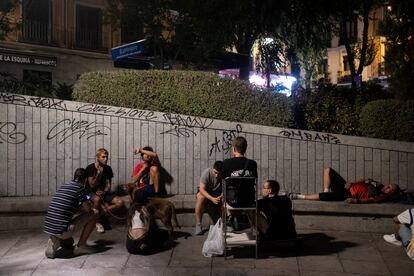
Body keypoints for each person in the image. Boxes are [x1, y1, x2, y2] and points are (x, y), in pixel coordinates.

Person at [43, 168, 99, 258]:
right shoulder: (80, 188)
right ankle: (81, 246)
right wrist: (89, 201)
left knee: (69, 243)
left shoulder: (64, 186)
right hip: (62, 230)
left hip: (50, 227)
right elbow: (88, 210)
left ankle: (54, 241)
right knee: (95, 213)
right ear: (85, 180)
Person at [289, 167, 400, 203]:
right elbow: (366, 179)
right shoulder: (379, 185)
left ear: (391, 193)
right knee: (327, 170)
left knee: (325, 197)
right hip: (347, 187)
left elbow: (370, 200)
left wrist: (355, 200)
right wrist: (352, 182)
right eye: (389, 185)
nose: (387, 187)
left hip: (347, 194)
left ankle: (298, 196)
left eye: (390, 188)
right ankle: (326, 191)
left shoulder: (382, 196)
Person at [222, 136, 258, 230]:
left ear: (233, 148)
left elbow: (223, 182)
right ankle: (243, 220)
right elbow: (254, 180)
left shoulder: (226, 163)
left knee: (223, 194)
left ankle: (230, 217)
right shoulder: (252, 164)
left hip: (232, 201)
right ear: (245, 149)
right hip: (249, 201)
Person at [85, 148, 124, 233]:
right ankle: (97, 222)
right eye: (103, 157)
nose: (105, 159)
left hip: (103, 193)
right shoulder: (90, 168)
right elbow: (91, 185)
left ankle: (100, 214)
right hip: (89, 194)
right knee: (97, 199)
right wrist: (99, 175)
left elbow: (108, 185)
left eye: (106, 157)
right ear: (97, 157)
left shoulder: (108, 169)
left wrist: (105, 191)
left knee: (120, 202)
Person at [194, 161, 223, 235]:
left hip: (217, 193)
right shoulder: (207, 172)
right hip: (206, 192)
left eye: (219, 174)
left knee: (226, 198)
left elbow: (227, 188)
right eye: (215, 172)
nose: (217, 175)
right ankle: (198, 224)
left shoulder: (224, 174)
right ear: (213, 168)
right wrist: (211, 199)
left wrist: (222, 195)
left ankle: (228, 222)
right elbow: (201, 189)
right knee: (200, 197)